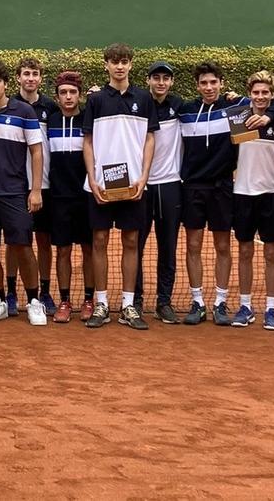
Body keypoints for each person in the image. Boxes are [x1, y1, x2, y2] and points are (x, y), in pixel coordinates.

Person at [178, 61, 265, 326]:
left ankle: (220, 302)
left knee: (223, 246)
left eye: (213, 82)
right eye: (204, 83)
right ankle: (197, 302)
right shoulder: (186, 111)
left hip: (222, 187)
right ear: (197, 86)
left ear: (221, 83)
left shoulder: (234, 110)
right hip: (192, 187)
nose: (209, 87)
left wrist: (239, 99)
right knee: (193, 245)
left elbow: (268, 104)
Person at [82, 43, 157, 331]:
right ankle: (101, 303)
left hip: (133, 184)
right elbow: (88, 141)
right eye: (114, 62)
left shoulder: (144, 99)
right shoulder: (96, 100)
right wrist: (92, 178)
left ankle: (128, 305)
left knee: (131, 242)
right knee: (99, 240)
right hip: (101, 185)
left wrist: (144, 176)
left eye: (124, 61)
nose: (120, 66)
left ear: (130, 64)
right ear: (106, 65)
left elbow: (149, 138)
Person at [0, 59, 46, 325]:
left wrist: (35, 190)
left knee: (23, 246)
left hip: (14, 192)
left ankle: (34, 301)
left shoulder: (24, 111)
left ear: (5, 84)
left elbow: (37, 152)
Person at [230, 71, 274, 331]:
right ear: (249, 94)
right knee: (244, 252)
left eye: (265, 92)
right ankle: (245, 306)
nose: (261, 96)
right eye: (256, 92)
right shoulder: (239, 119)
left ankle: (271, 309)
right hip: (243, 193)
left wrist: (271, 116)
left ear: (272, 95)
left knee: (271, 254)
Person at [136, 60, 183, 325]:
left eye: (166, 78)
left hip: (170, 185)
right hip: (140, 186)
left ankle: (163, 302)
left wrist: (235, 97)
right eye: (156, 78)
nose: (161, 82)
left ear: (172, 82)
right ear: (148, 80)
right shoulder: (139, 104)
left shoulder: (181, 107)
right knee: (135, 246)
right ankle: (136, 300)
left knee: (168, 247)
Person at [9, 57, 57, 317]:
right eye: (26, 73)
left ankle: (45, 292)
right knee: (16, 241)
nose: (30, 78)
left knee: (44, 241)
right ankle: (10, 292)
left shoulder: (51, 107)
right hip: (16, 186)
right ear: (18, 77)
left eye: (35, 74)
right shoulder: (9, 105)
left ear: (40, 78)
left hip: (44, 186)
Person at [45, 71, 94, 323]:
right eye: (63, 92)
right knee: (62, 251)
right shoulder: (51, 121)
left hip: (86, 197)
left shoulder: (88, 119)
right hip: (58, 198)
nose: (68, 96)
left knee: (88, 249)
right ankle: (64, 301)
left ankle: (89, 299)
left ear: (80, 95)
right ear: (57, 97)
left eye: (73, 92)